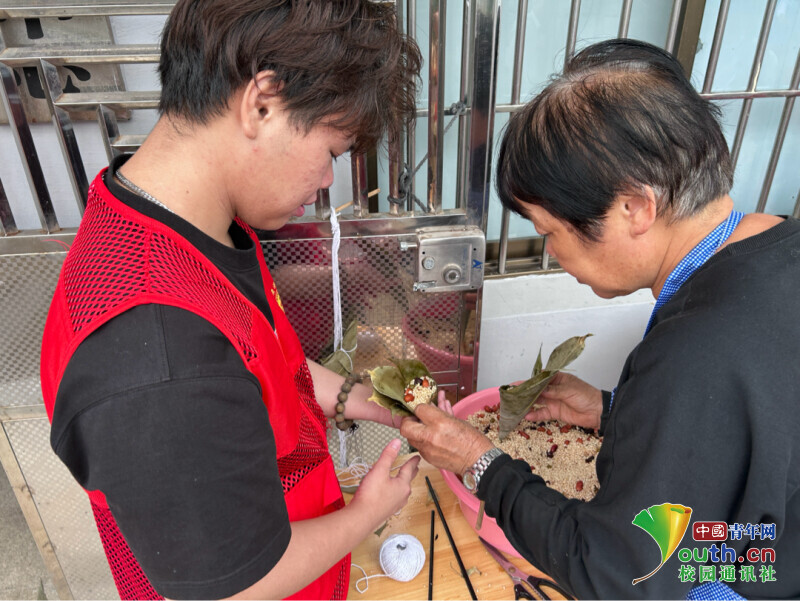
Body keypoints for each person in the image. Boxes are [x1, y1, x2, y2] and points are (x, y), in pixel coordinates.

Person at [40, 1, 423, 599]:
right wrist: (369, 511)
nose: (328, 181)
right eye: (332, 152)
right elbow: (237, 586)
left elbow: (267, 368)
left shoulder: (195, 226)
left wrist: (375, 402)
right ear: (261, 102)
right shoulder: (158, 355)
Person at [401, 39, 799, 599]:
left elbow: (623, 574)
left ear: (634, 207)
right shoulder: (780, 248)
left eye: (548, 231)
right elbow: (753, 439)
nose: (553, 252)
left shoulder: (697, 350)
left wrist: (480, 463)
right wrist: (616, 413)